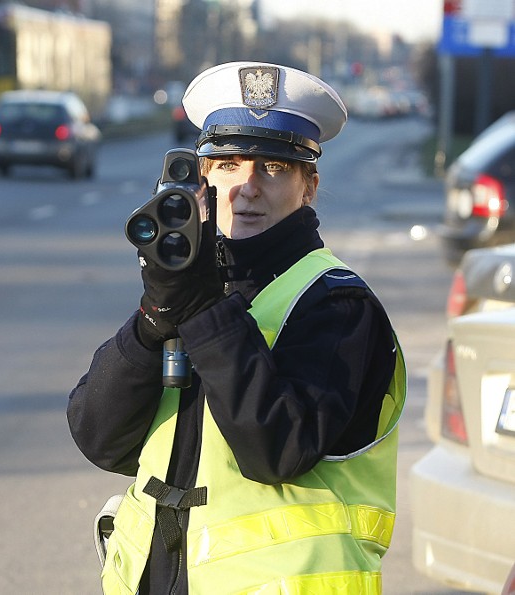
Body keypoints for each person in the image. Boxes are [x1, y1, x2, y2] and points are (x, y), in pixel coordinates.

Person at [67, 61, 406, 594]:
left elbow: (277, 450)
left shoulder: (337, 303)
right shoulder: (195, 284)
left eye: (272, 167)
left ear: (308, 185)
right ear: (203, 181)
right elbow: (99, 438)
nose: (246, 187)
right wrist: (156, 317)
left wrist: (201, 311)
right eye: (227, 165)